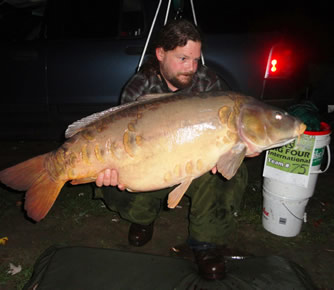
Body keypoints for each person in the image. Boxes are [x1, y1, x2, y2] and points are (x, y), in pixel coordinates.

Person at [94, 19, 248, 281]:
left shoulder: (209, 83)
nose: (191, 68)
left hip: (195, 165)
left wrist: (240, 147)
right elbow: (123, 143)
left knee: (230, 175)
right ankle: (142, 218)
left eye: (195, 60)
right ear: (160, 53)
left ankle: (205, 244)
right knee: (114, 182)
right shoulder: (139, 87)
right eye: (183, 58)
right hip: (150, 165)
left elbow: (231, 133)